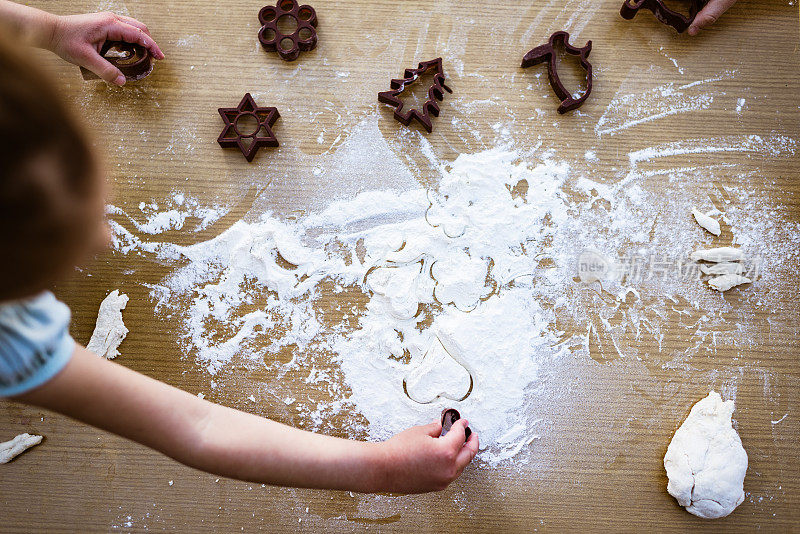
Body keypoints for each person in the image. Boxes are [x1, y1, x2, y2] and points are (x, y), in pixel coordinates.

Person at [0, 13, 478, 493]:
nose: (106, 239)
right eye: (71, 242)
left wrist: (50, 30)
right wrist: (382, 468)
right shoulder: (10, 341)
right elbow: (196, 427)